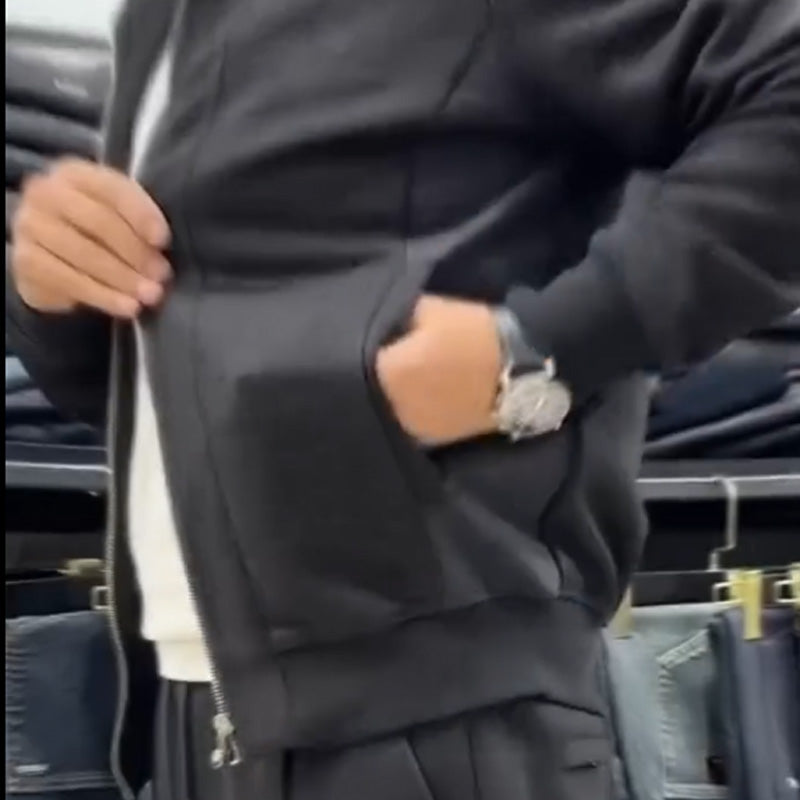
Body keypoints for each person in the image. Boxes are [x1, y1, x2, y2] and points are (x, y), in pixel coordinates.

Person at [7, 0, 799, 796]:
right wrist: (51, 293)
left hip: (432, 722)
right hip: (191, 707)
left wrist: (538, 352)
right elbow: (145, 394)